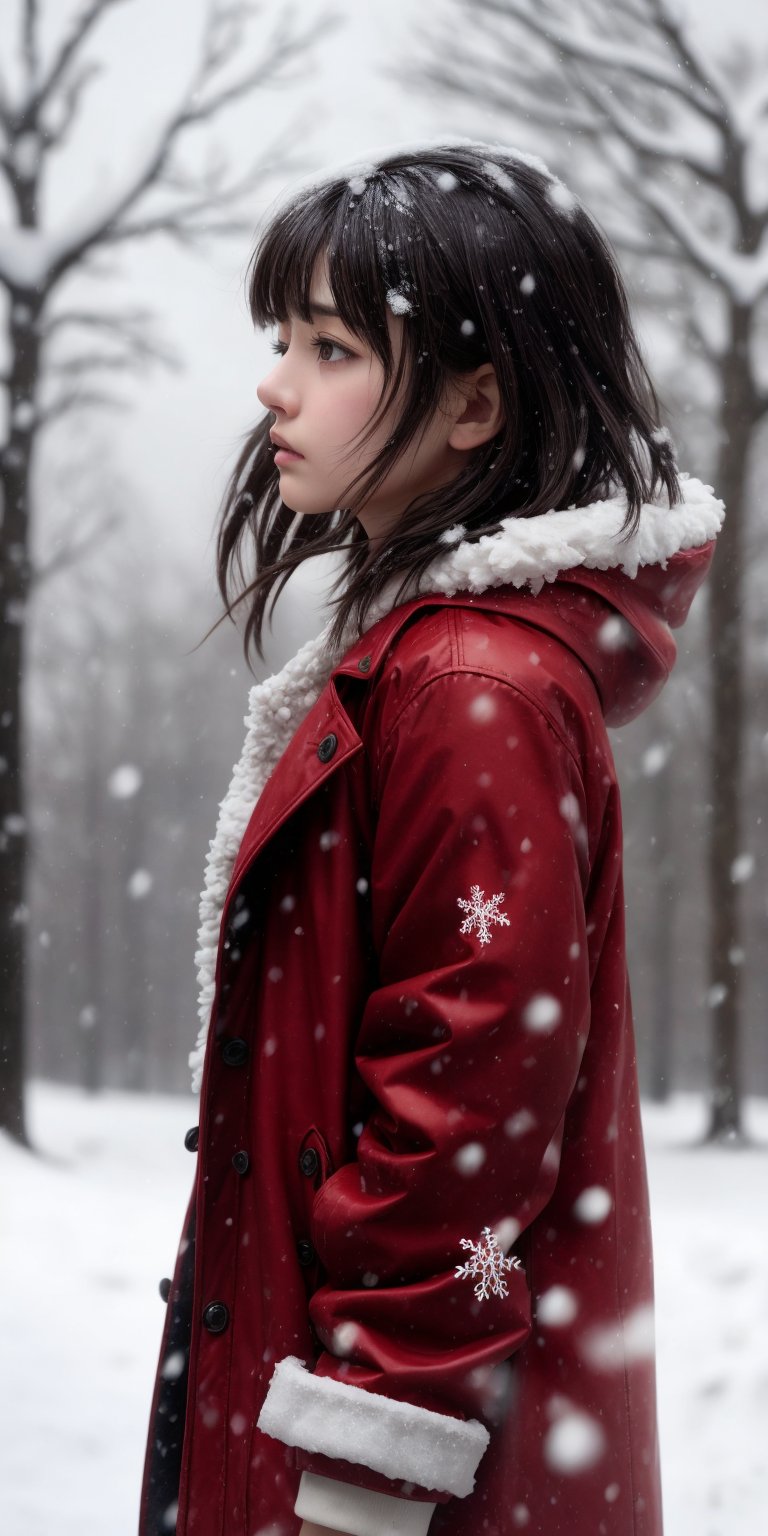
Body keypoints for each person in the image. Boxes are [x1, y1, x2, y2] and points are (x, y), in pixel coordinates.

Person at [139, 141, 724, 1536]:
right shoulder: (433, 663)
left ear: (475, 405)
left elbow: (462, 1116)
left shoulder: (471, 688)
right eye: (283, 339)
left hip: (386, 1476)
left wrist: (366, 1472)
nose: (275, 384)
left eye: (331, 345)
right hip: (327, 1405)